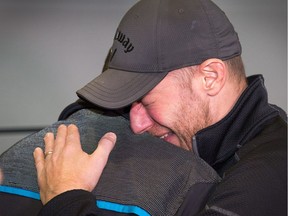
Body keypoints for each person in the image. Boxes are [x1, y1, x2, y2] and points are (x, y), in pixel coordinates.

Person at [33, 0, 287, 215]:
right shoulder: (184, 122)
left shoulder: (270, 174)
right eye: (127, 101)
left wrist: (65, 199)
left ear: (210, 77)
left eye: (145, 100)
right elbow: (84, 112)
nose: (136, 124)